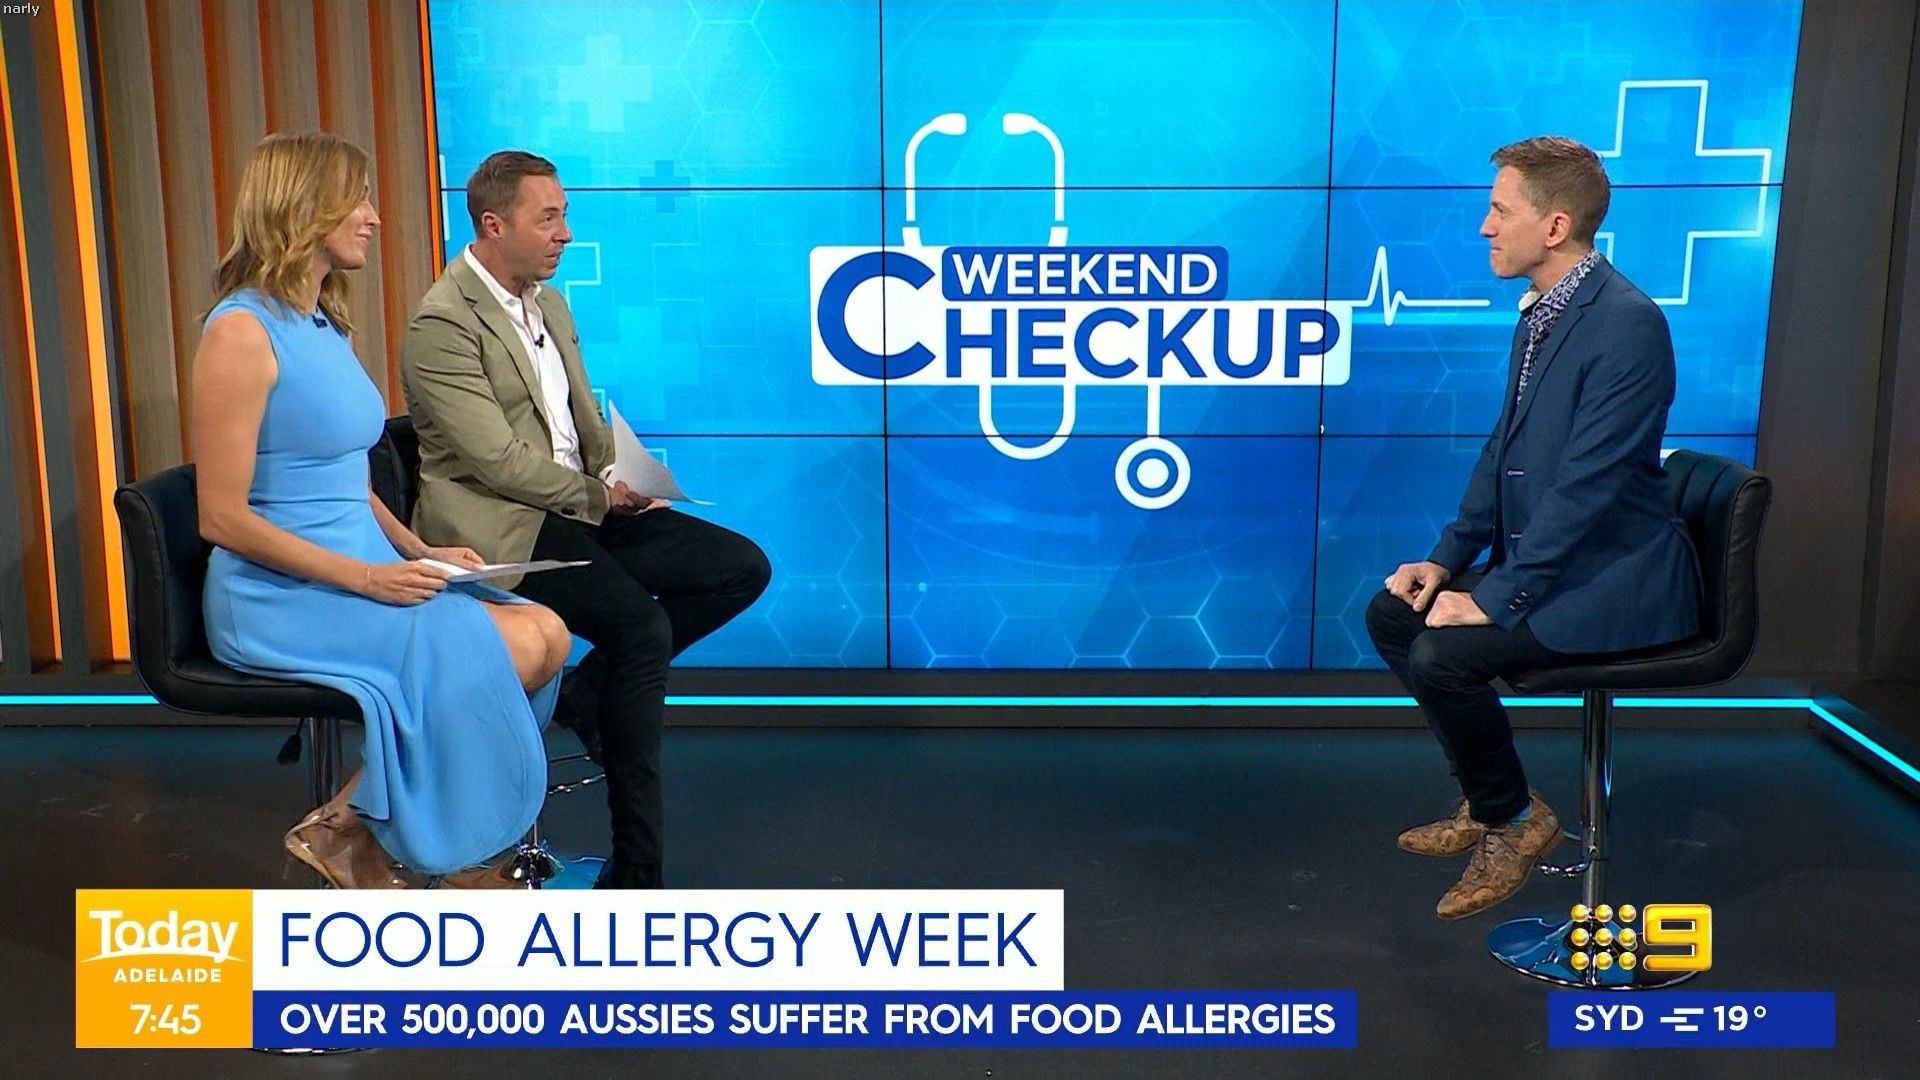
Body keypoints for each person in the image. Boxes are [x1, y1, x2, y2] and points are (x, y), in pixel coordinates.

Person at [193, 132, 573, 889]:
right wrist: (367, 578)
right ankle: (414, 844)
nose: (373, 217)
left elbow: (346, 480)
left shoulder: (321, 323)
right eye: (357, 200)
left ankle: (357, 827)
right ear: (305, 208)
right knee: (510, 648)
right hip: (279, 595)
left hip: (358, 567)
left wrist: (415, 549)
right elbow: (221, 518)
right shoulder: (240, 332)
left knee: (547, 633)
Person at [399, 149, 771, 890]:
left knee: (738, 568)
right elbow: (499, 462)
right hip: (506, 526)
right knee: (642, 630)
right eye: (549, 218)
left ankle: (586, 692)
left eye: (563, 215)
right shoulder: (442, 324)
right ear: (493, 225)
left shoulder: (550, 305)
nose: (565, 232)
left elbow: (577, 423)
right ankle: (637, 870)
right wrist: (598, 499)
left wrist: (618, 478)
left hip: (578, 502)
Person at [1365, 136, 1703, 920]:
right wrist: (1447, 560)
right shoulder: (1544, 313)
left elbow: (1588, 487)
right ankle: (1498, 803)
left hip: (1616, 584)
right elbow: (1506, 448)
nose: (1485, 227)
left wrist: (1494, 598)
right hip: (1563, 566)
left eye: (1499, 210)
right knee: (1395, 613)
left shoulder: (1626, 324)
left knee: (1444, 655)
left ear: (1554, 227)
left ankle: (1510, 820)